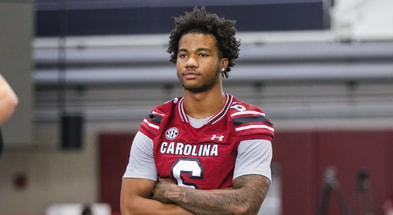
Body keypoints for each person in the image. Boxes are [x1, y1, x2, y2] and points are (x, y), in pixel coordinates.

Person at [121, 7, 274, 215]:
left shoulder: (248, 122)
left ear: (223, 63)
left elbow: (244, 205)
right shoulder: (157, 122)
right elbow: (130, 208)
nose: (191, 62)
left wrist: (171, 192)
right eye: (183, 55)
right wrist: (216, 208)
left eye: (202, 54)